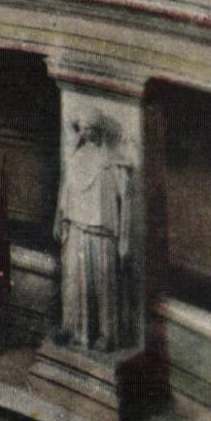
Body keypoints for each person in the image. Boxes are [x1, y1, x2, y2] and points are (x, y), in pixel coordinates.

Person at [53, 112, 134, 352]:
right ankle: (78, 329)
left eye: (90, 128)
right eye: (83, 128)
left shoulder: (113, 162)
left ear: (99, 130)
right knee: (76, 281)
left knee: (103, 285)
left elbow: (125, 202)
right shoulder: (76, 158)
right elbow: (65, 192)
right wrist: (60, 220)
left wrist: (124, 240)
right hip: (78, 227)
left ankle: (106, 334)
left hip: (102, 232)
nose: (86, 133)